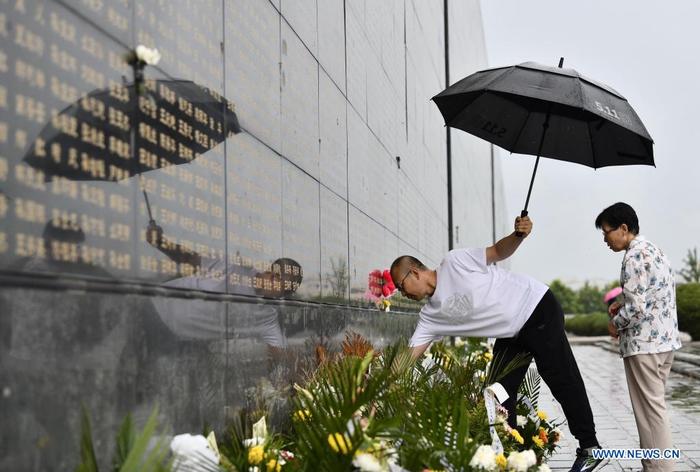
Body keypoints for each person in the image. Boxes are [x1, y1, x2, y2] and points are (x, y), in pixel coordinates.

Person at [390, 215, 605, 472]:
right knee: (498, 392)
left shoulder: (453, 262)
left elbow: (497, 251)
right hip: (511, 332)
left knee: (560, 377)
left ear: (414, 272)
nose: (403, 294)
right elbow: (409, 355)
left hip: (535, 306)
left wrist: (518, 235)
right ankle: (514, 459)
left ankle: (590, 447)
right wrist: (378, 382)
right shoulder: (430, 317)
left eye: (401, 287)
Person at [595, 202, 681, 472]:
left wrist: (615, 323)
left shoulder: (632, 256)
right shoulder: (656, 251)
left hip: (643, 346)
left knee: (649, 414)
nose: (605, 239)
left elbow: (638, 308)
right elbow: (654, 295)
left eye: (606, 232)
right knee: (655, 409)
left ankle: (659, 468)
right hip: (665, 343)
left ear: (623, 228)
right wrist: (623, 303)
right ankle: (657, 466)